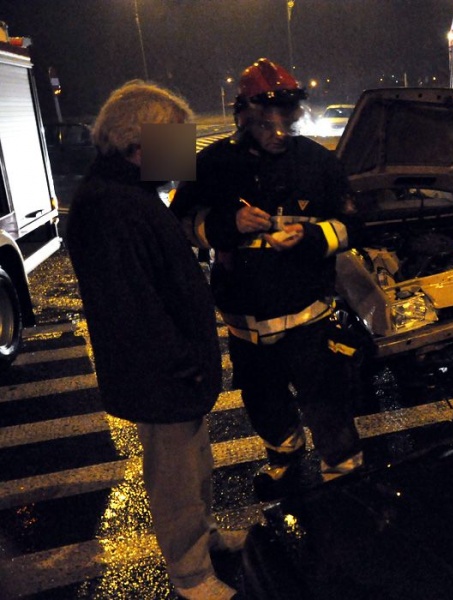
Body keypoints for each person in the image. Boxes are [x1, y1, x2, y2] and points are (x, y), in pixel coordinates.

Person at [65, 81, 243, 600]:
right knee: (175, 477)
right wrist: (180, 362)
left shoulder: (130, 195)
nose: (182, 156)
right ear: (136, 143)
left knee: (194, 464)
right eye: (174, 142)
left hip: (172, 367)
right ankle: (191, 573)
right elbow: (130, 306)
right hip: (161, 372)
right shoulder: (111, 206)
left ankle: (203, 540)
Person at [170, 58, 363, 501]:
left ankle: (345, 477)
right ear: (244, 116)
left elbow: (356, 225)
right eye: (267, 123)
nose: (279, 133)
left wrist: (311, 237)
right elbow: (177, 223)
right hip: (245, 324)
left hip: (308, 319)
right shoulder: (212, 163)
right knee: (263, 401)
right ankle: (284, 460)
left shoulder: (319, 162)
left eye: (287, 121)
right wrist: (227, 225)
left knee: (326, 400)